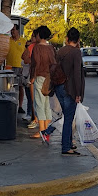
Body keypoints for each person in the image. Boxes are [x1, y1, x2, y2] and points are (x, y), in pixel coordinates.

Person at [41, 27, 84, 155]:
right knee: (68, 118)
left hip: (58, 86)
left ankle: (59, 137)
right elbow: (77, 74)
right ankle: (66, 146)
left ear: (67, 38)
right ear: (78, 39)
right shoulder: (76, 52)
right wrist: (78, 93)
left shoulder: (61, 51)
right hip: (70, 89)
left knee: (66, 116)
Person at [29, 25, 56, 138]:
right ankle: (46, 129)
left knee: (39, 103)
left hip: (39, 76)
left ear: (39, 35)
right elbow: (54, 62)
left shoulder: (37, 48)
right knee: (46, 104)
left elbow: (36, 63)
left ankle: (41, 131)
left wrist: (32, 77)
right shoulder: (51, 48)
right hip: (49, 77)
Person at [5, 24, 27, 113]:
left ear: (18, 31)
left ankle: (20, 106)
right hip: (9, 67)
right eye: (11, 30)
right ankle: (10, 104)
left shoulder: (23, 41)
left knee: (20, 86)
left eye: (14, 30)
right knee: (9, 86)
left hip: (20, 67)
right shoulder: (8, 40)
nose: (12, 31)